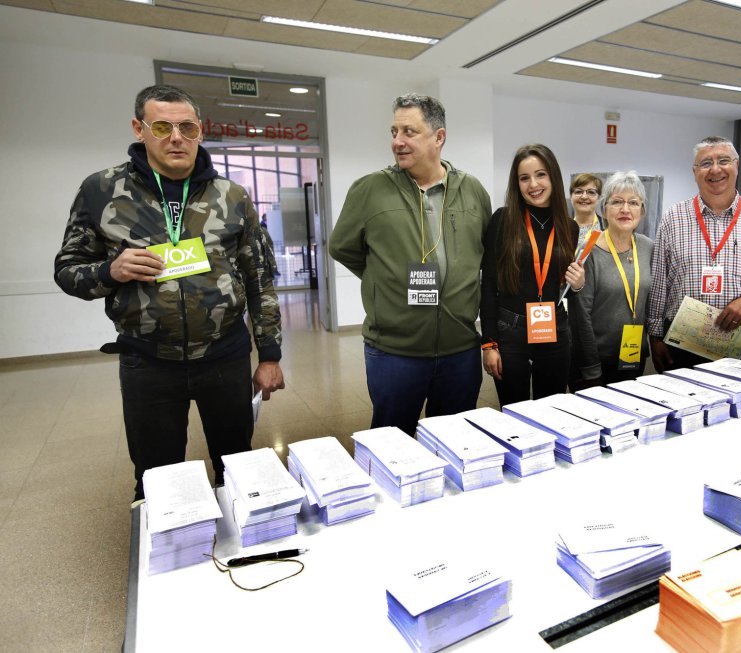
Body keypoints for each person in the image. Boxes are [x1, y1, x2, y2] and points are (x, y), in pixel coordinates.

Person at [54, 84, 285, 500]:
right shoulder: (102, 191)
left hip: (225, 356)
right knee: (157, 477)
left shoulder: (232, 196)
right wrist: (111, 270)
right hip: (149, 362)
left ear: (200, 131)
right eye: (162, 126)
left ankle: (245, 547)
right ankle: (172, 552)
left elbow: (259, 279)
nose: (176, 137)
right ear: (139, 129)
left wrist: (269, 354)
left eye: (187, 127)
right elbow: (67, 271)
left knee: (238, 467)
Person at [329, 93, 492, 435]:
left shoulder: (472, 191)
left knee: (455, 440)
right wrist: (382, 279)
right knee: (393, 443)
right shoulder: (371, 189)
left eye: (408, 132)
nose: (397, 142)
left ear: (439, 137)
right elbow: (342, 247)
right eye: (393, 132)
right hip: (395, 352)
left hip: (459, 348)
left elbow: (484, 254)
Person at [648, 136, 741, 371]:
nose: (715, 169)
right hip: (681, 344)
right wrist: (655, 336)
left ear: (737, 165)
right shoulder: (673, 217)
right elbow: (659, 282)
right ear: (694, 171)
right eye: (706, 163)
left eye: (724, 160)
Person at [481, 144, 584, 406]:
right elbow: (488, 285)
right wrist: (489, 344)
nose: (533, 184)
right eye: (524, 178)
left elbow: (562, 284)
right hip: (510, 330)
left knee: (551, 411)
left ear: (553, 177)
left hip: (554, 328)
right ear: (516, 184)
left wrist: (578, 284)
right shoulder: (503, 220)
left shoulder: (569, 227)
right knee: (514, 412)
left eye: (541, 174)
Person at [570, 171, 654, 387]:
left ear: (642, 211)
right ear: (604, 209)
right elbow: (581, 316)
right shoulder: (588, 249)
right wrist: (591, 368)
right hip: (595, 362)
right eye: (617, 202)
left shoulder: (648, 248)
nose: (625, 209)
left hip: (633, 356)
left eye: (633, 203)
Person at [570, 173, 604, 254]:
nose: (584, 197)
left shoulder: (608, 229)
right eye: (578, 192)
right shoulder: (560, 228)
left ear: (599, 198)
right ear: (571, 196)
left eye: (591, 192)